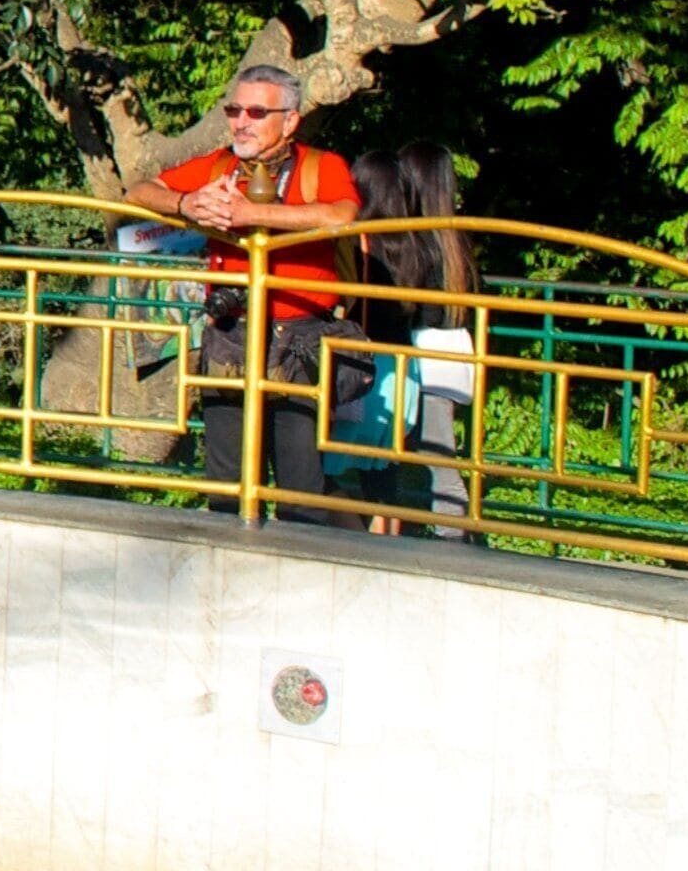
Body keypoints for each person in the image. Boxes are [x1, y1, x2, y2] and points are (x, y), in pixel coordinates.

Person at [126, 65, 364, 512]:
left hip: (300, 341)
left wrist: (252, 216)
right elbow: (138, 192)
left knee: (298, 486)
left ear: (290, 120)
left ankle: (294, 570)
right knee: (225, 480)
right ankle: (224, 571)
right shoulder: (218, 165)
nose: (241, 121)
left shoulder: (320, 166)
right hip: (229, 335)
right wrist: (187, 203)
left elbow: (341, 214)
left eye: (257, 111)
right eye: (234, 109)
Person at [344, 143, 477, 536]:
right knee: (439, 454)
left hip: (416, 354)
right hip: (452, 353)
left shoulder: (406, 240)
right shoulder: (453, 241)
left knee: (392, 455)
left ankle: (442, 535)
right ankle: (451, 531)